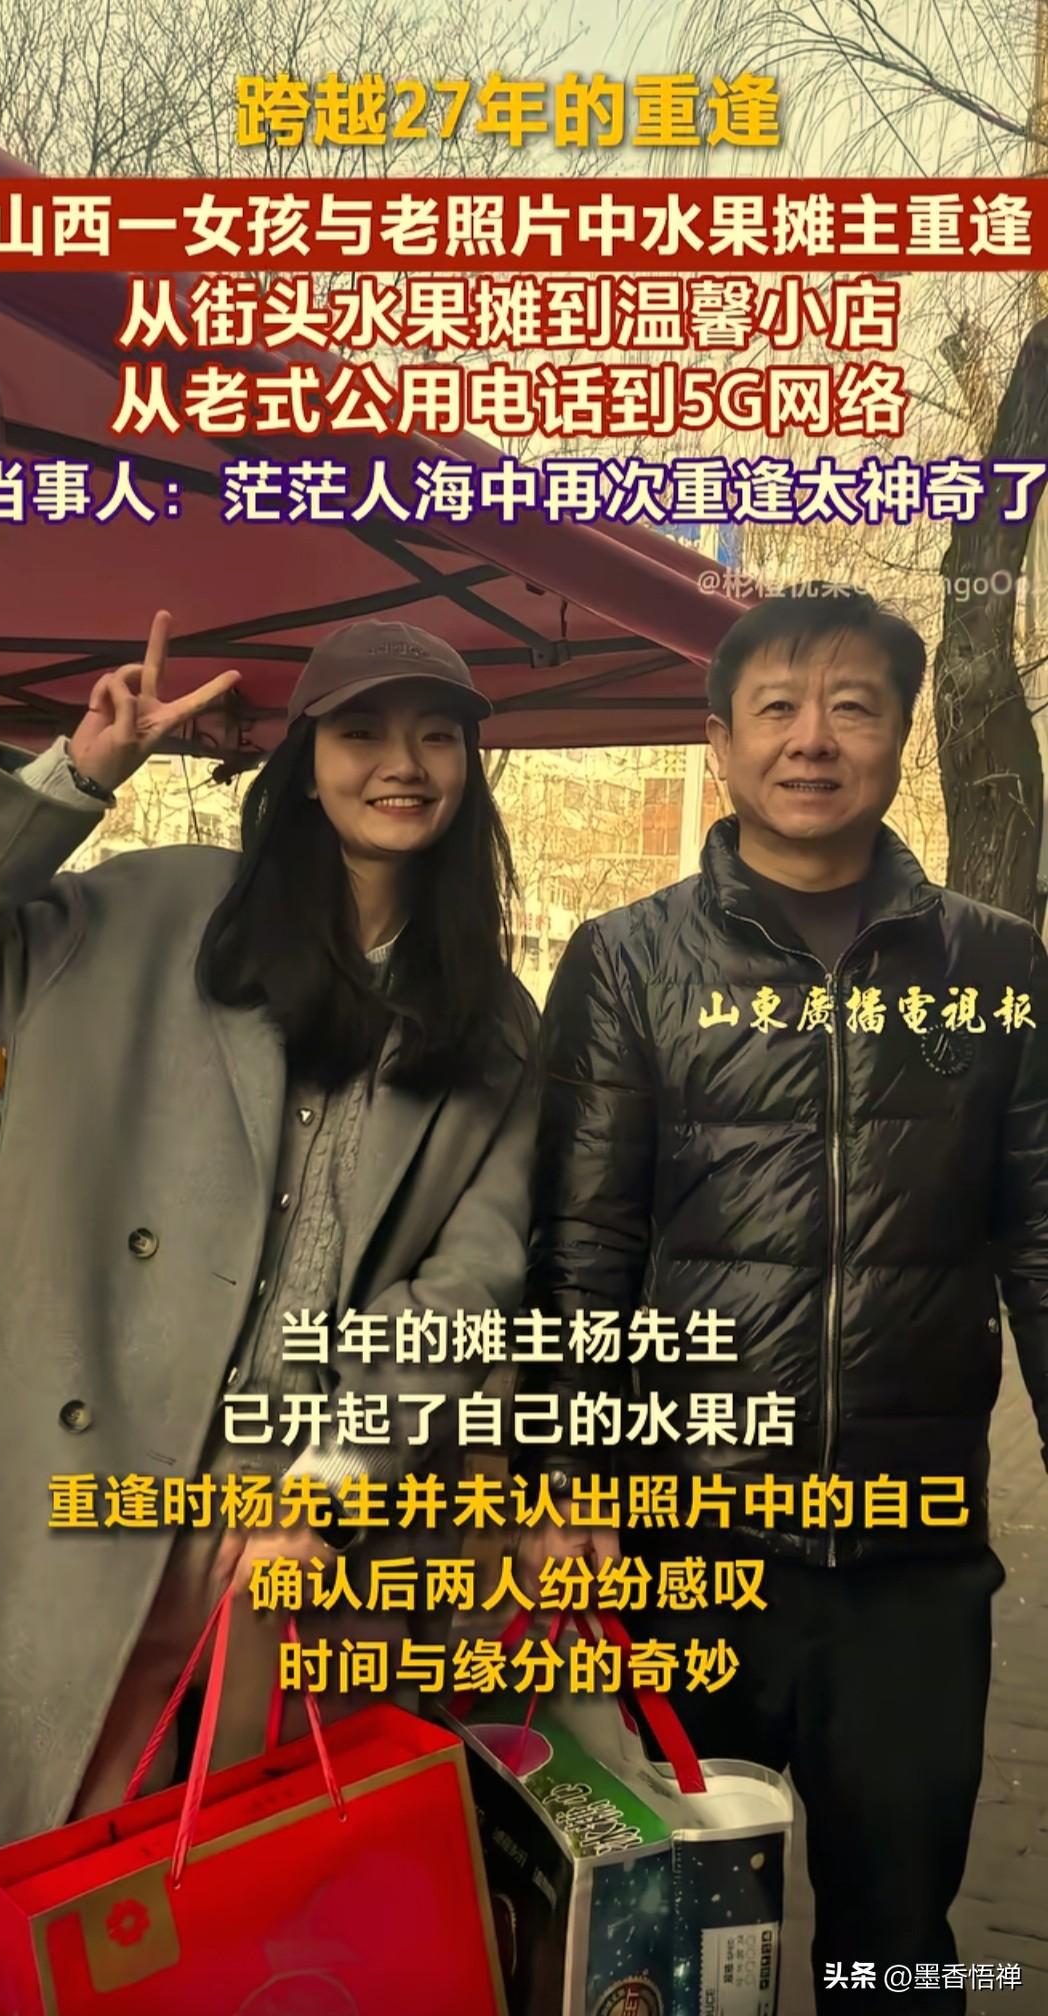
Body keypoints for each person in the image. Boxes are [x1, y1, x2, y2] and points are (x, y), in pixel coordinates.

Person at [0, 612, 537, 2013]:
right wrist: (74, 779)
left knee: (223, 1904)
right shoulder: (156, 909)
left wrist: (326, 1481)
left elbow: (471, 1283)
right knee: (25, 1865)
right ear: (303, 758)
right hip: (76, 1478)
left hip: (285, 1528)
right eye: (362, 732)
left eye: (437, 736)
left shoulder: (490, 1022)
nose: (401, 764)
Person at [517, 585, 1048, 2013]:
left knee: (898, 1931)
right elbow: (584, 1247)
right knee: (669, 1937)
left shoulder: (994, 964)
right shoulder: (630, 958)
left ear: (900, 733)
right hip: (690, 1540)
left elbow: (1042, 1237)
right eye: (778, 708)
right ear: (722, 740)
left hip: (911, 1562)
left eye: (853, 706)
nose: (815, 739)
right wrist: (565, 1483)